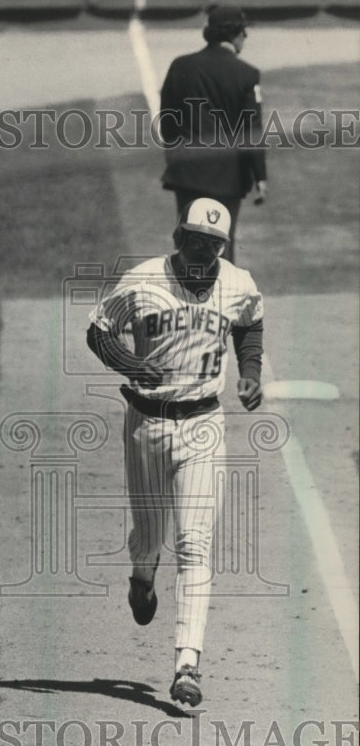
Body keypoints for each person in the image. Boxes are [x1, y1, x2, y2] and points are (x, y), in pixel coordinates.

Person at [86, 198, 264, 706]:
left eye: (214, 245)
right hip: (146, 421)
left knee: (195, 542)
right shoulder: (142, 281)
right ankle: (143, 577)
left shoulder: (238, 283)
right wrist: (128, 363)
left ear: (223, 247)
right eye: (196, 241)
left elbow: (250, 324)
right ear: (177, 238)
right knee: (149, 535)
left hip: (204, 424)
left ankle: (188, 664)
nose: (204, 253)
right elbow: (98, 332)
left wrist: (249, 374)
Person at [159, 5, 267, 264]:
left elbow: (167, 121)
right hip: (228, 178)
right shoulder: (247, 74)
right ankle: (220, 304)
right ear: (234, 34)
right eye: (244, 31)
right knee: (221, 251)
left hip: (187, 172)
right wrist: (260, 176)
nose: (246, 37)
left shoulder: (181, 65)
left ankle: (186, 303)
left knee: (187, 247)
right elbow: (250, 130)